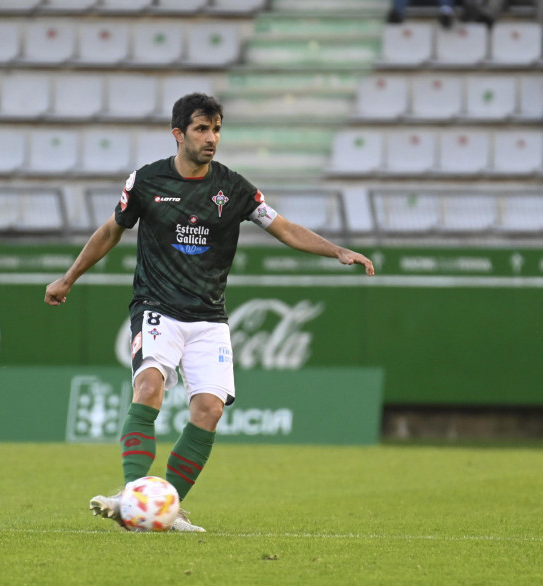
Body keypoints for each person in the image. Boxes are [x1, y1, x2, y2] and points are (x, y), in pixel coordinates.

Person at [44, 93, 375, 532]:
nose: (211, 138)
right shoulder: (145, 182)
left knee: (208, 411)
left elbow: (284, 227)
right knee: (149, 387)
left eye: (217, 129)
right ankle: (133, 495)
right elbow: (110, 231)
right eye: (202, 129)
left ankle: (169, 507)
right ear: (178, 134)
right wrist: (68, 278)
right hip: (157, 308)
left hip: (209, 318)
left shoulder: (233, 188)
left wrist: (336, 250)